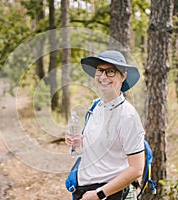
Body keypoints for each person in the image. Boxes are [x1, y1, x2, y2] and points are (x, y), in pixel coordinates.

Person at [65, 50, 145, 200]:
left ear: (123, 76)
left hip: (109, 194)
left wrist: (99, 194)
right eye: (100, 71)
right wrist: (79, 142)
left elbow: (136, 169)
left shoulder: (128, 116)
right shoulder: (96, 106)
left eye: (110, 72)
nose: (103, 77)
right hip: (84, 192)